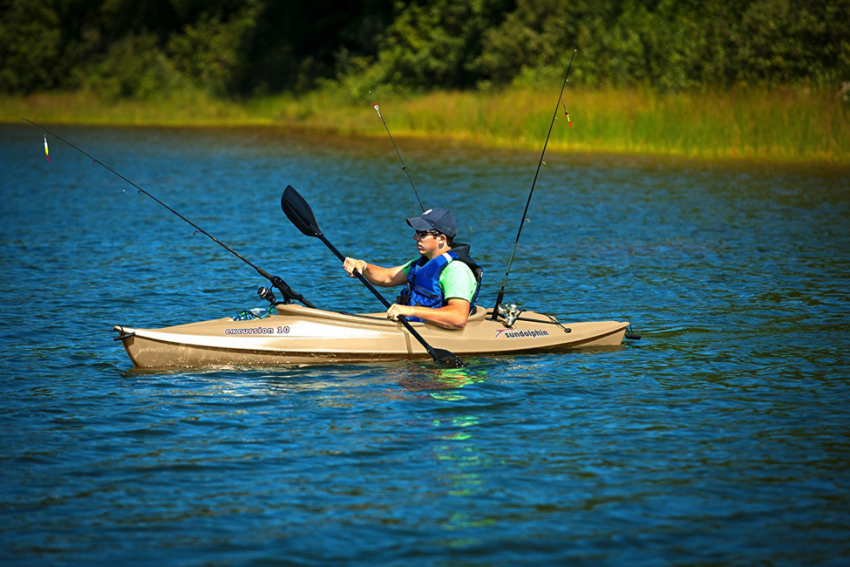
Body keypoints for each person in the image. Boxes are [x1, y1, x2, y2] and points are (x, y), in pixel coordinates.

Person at [343, 207, 482, 329]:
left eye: (422, 233)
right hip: (418, 326)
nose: (415, 237)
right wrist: (363, 265)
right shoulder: (421, 263)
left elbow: (458, 318)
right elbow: (387, 277)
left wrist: (411, 311)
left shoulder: (456, 270)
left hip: (441, 333)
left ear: (441, 239)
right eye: (417, 232)